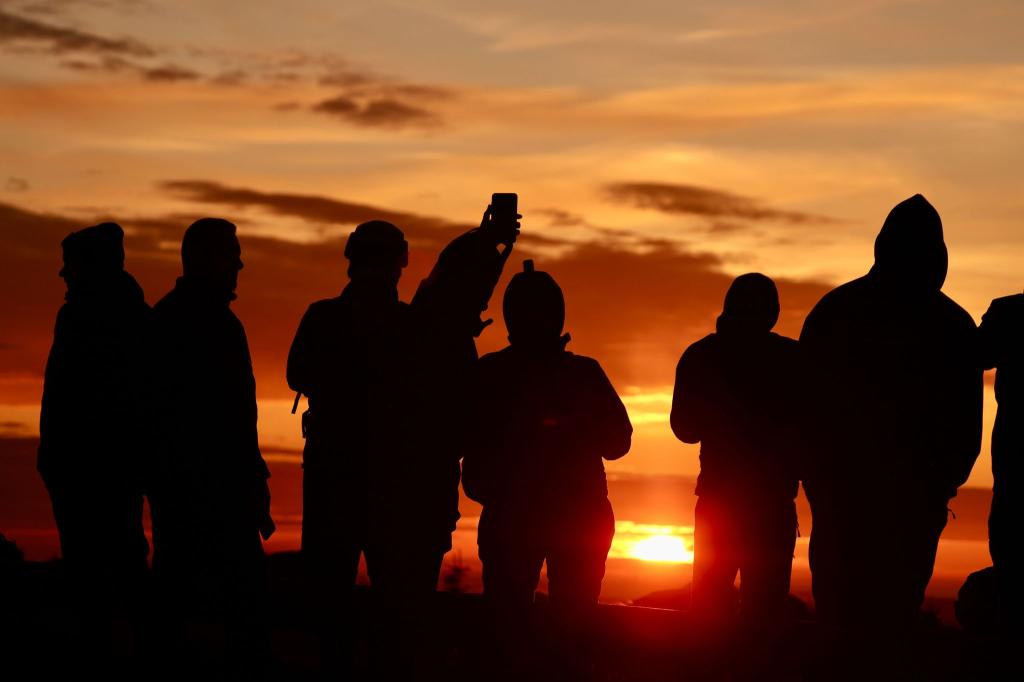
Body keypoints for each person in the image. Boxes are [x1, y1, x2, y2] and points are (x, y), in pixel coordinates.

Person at [799, 195, 983, 638]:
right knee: (882, 619)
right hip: (877, 500)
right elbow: (967, 429)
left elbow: (801, 409)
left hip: (869, 500)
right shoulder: (952, 326)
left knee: (848, 620)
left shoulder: (835, 311)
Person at [462, 261, 632, 674]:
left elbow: (465, 444)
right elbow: (619, 442)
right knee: (564, 636)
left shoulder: (492, 373)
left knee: (511, 632)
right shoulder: (581, 373)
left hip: (526, 520)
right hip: (568, 520)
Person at [287, 220, 434, 675]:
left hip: (339, 481)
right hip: (389, 486)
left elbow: (297, 375)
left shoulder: (323, 317)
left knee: (333, 605)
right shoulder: (411, 326)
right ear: (399, 264)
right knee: (391, 609)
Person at [148, 218, 273, 673]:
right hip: (203, 491)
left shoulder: (189, 319)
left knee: (184, 604)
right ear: (205, 258)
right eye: (231, 253)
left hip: (206, 489)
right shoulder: (191, 322)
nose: (240, 263)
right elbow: (218, 417)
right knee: (232, 609)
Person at [38, 222, 150, 666]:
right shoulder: (124, 316)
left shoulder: (95, 318)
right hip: (88, 471)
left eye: (70, 267)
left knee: (109, 574)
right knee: (111, 573)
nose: (63, 276)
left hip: (98, 473)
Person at [670, 273, 800, 627]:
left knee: (709, 614)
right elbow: (814, 427)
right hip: (769, 504)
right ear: (773, 313)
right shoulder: (792, 358)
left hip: (721, 503)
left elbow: (684, 428)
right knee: (765, 618)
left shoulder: (702, 356)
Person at [978, 292, 1024, 627]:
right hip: (1013, 458)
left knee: (1010, 540)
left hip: (1015, 457)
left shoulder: (1011, 312)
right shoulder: (1010, 312)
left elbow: (971, 354)